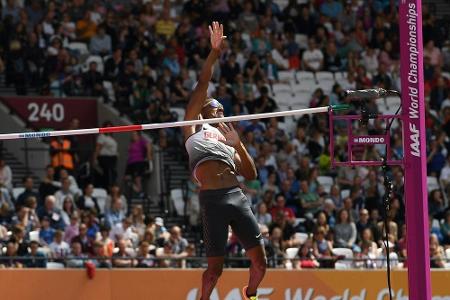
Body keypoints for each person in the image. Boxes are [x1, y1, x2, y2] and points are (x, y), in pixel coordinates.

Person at [182, 22, 266, 300]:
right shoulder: (193, 127)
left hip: (235, 195)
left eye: (221, 108)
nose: (219, 110)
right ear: (203, 111)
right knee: (214, 271)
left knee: (261, 263)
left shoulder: (228, 136)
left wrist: (238, 145)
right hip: (212, 199)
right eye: (213, 107)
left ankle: (250, 294)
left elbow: (251, 174)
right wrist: (214, 53)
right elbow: (203, 83)